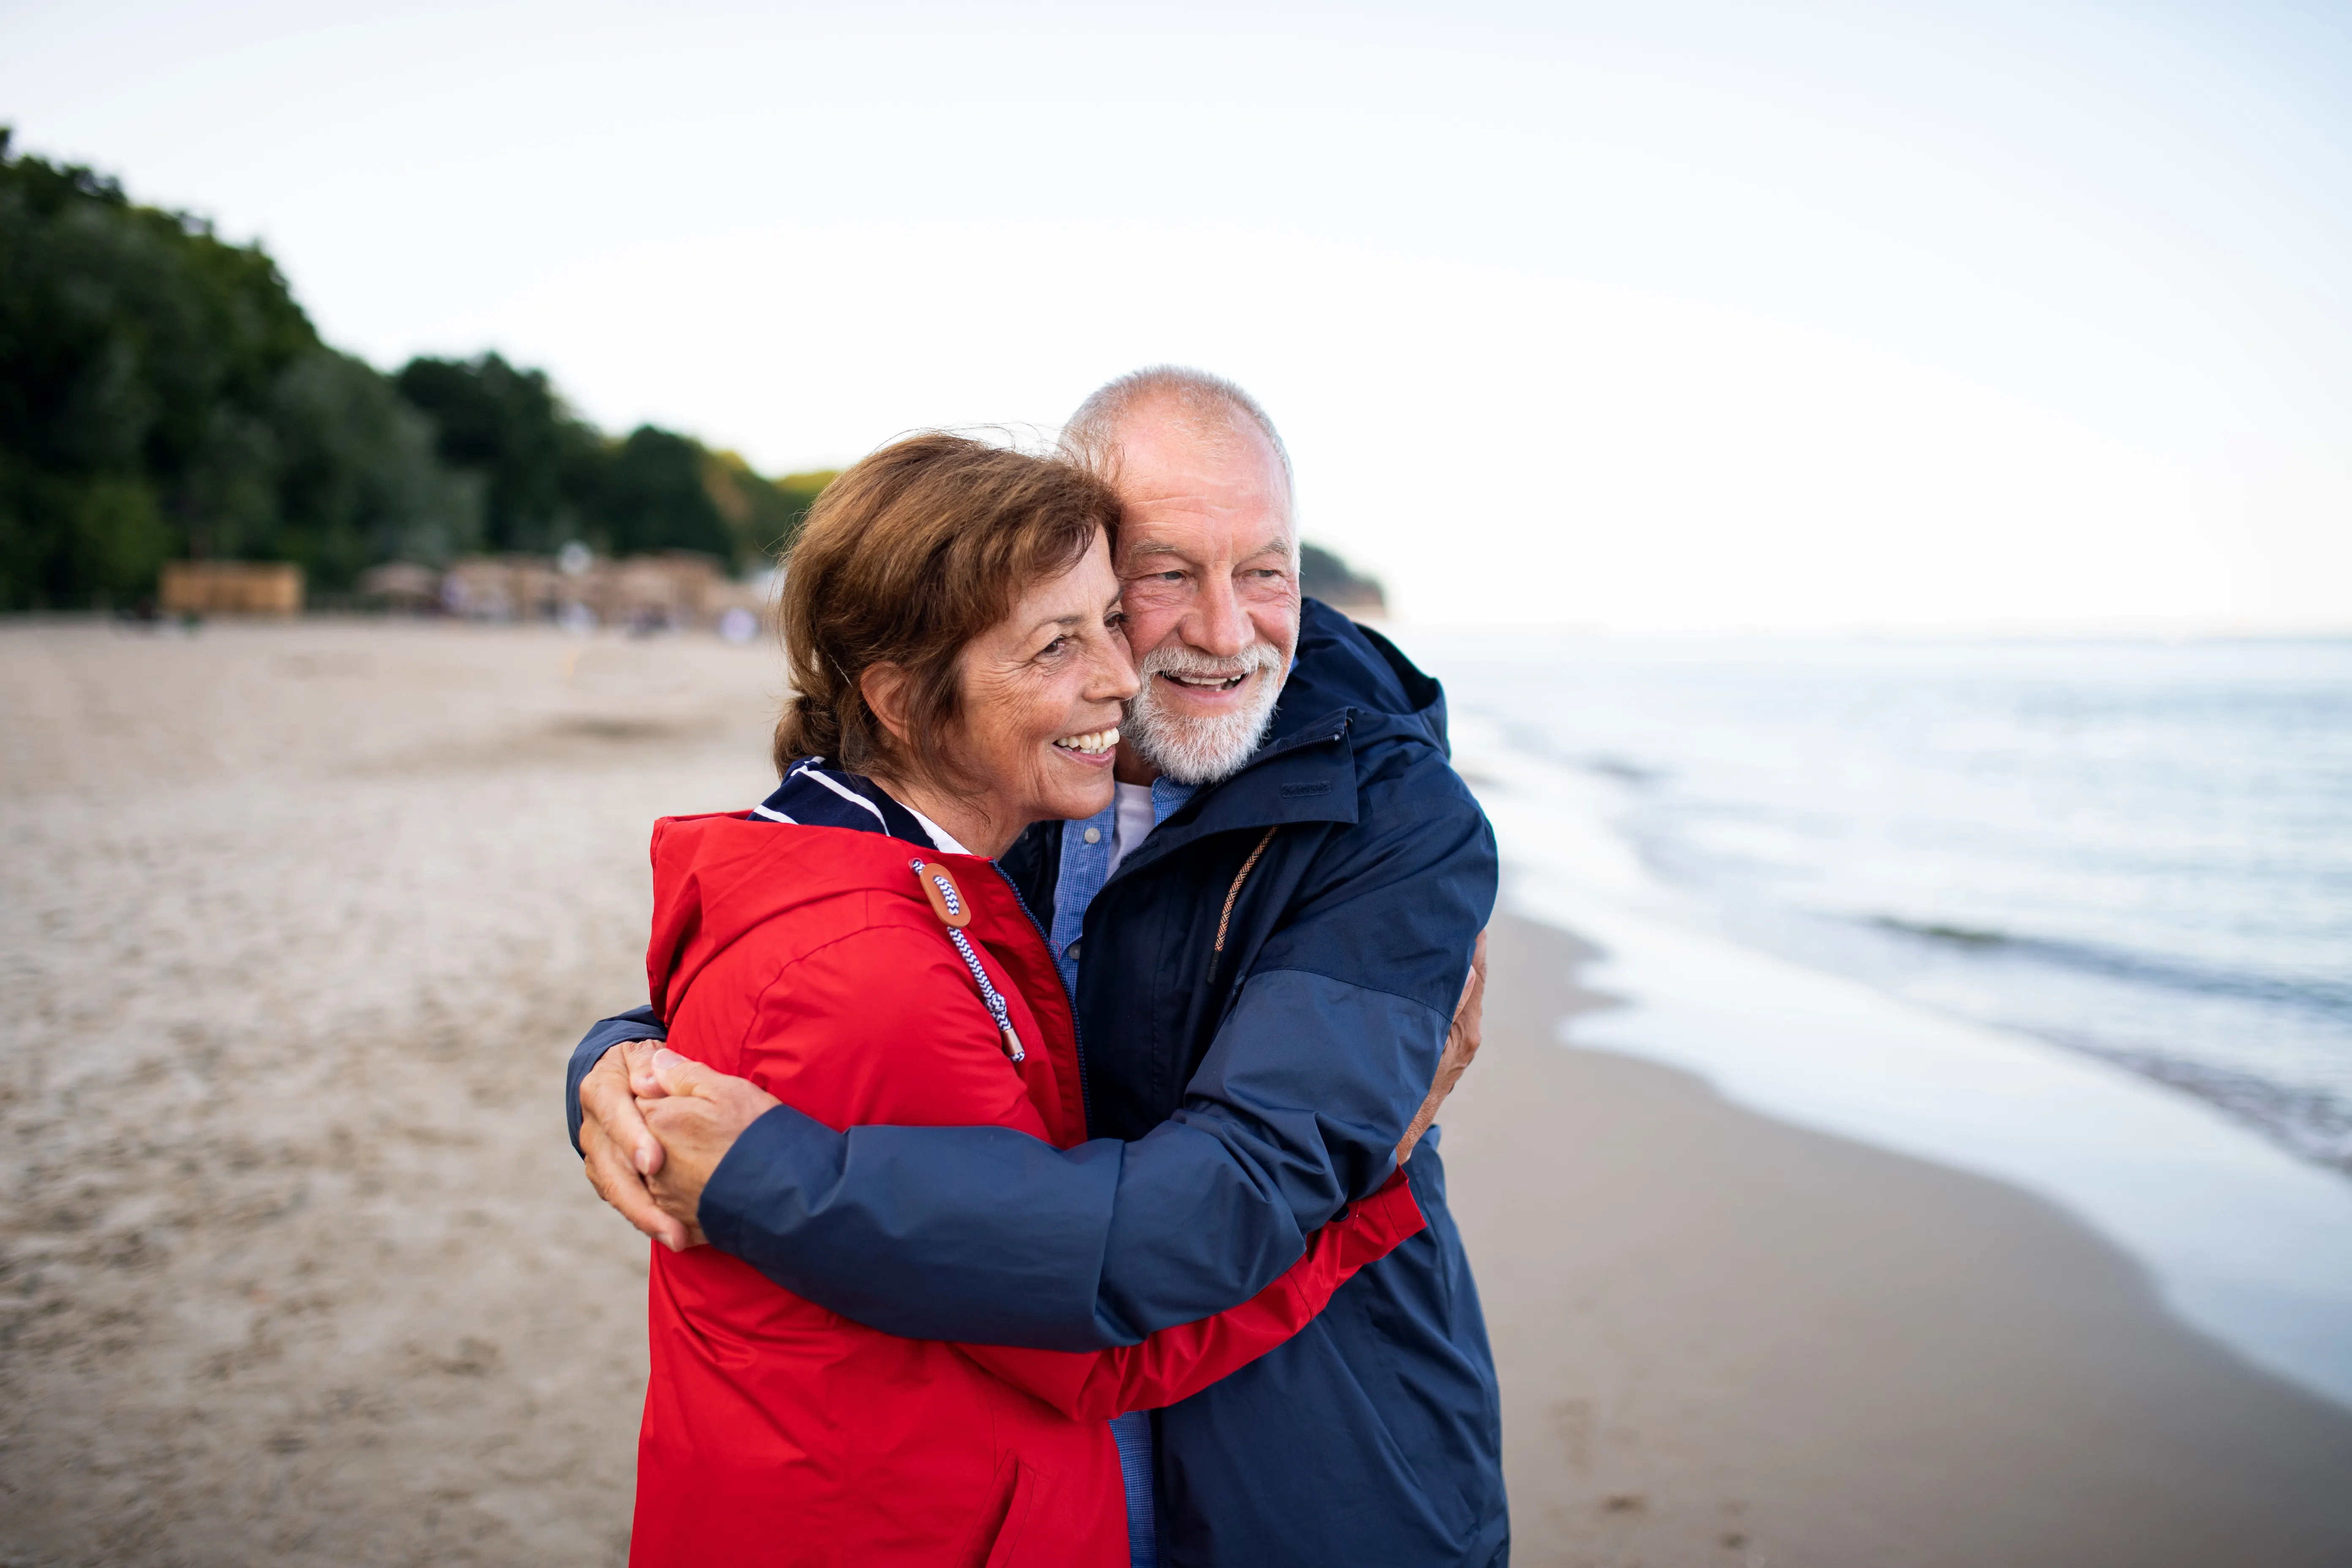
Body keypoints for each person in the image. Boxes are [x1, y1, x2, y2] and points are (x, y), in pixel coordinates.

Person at [574, 368, 1506, 1566]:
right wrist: (621, 1064)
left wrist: (765, 1171)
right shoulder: (1020, 750)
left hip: (1316, 1454)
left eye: (1268, 568)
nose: (1227, 633)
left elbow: (1243, 1196)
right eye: (1166, 575)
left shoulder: (1397, 817)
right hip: (1040, 1464)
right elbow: (812, 964)